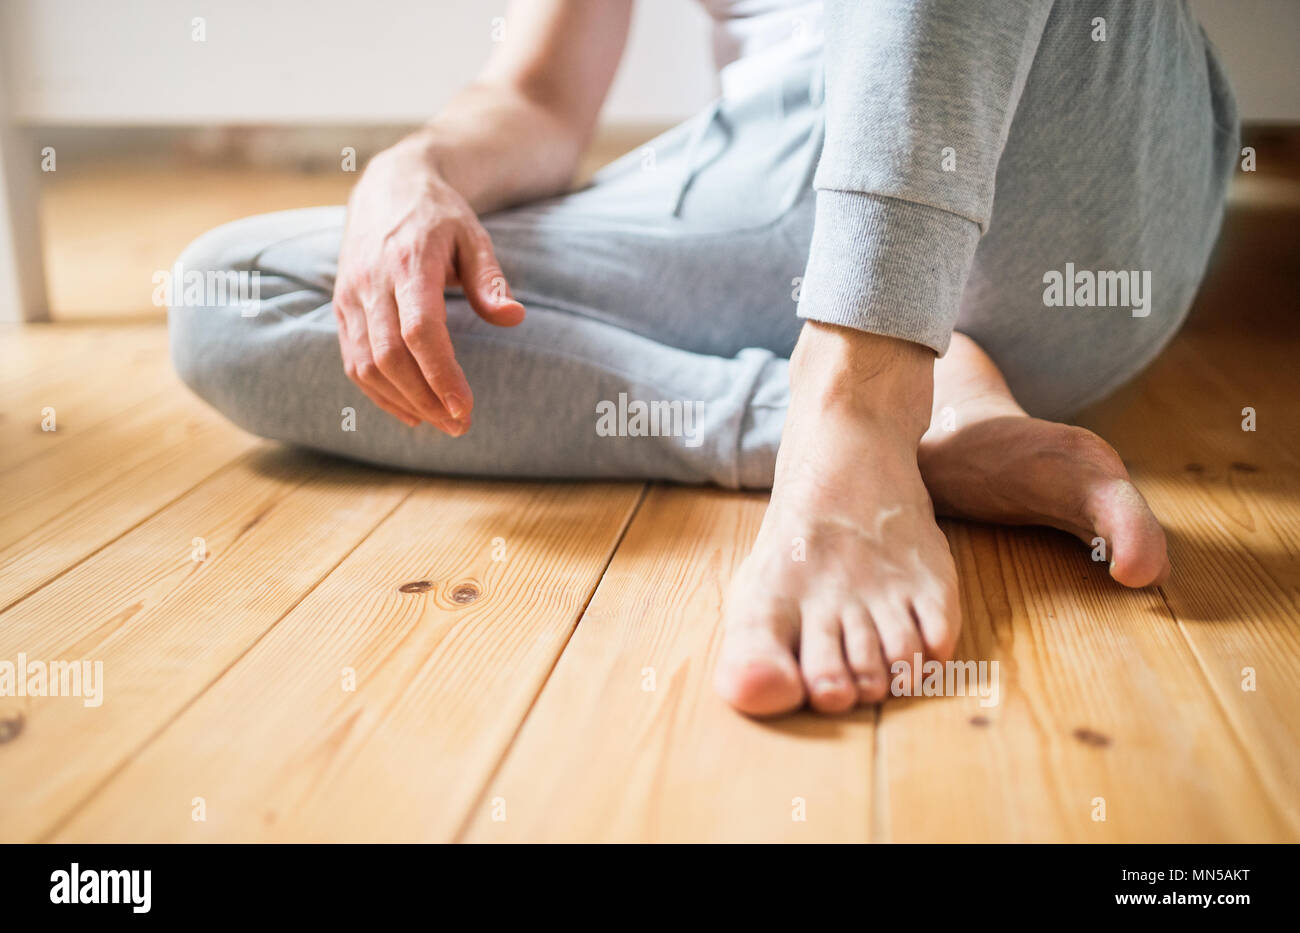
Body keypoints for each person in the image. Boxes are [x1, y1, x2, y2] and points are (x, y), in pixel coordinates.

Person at [168, 0, 1238, 716]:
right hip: (769, 188)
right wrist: (416, 168)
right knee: (234, 295)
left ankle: (863, 403)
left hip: (1063, 147)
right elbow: (538, 100)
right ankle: (910, 422)